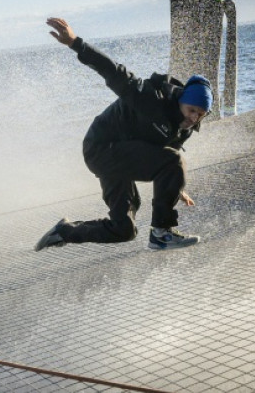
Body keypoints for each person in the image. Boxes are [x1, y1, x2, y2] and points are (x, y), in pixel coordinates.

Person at [35, 17, 213, 252]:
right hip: (102, 147)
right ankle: (162, 233)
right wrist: (75, 43)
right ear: (181, 100)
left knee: (123, 229)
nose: (194, 118)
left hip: (120, 156)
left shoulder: (186, 125)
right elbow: (113, 71)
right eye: (192, 111)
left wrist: (175, 186)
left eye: (201, 114)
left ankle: (64, 231)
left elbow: (165, 156)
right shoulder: (151, 98)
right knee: (174, 161)